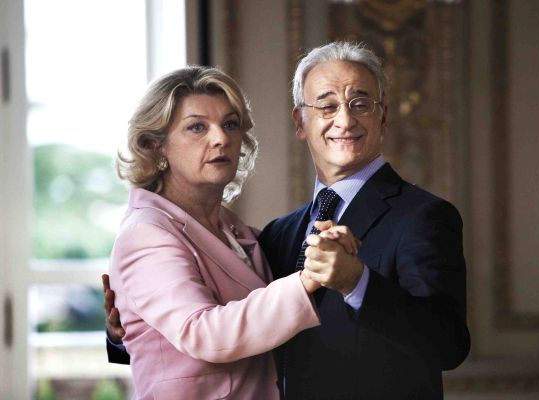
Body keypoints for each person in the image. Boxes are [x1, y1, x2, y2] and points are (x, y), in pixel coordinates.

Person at [106, 41, 470, 399]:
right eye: (327, 106)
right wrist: (130, 326)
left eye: (360, 104)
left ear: (383, 116)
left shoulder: (423, 216)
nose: (345, 120)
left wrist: (358, 283)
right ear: (301, 122)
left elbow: (448, 346)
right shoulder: (281, 234)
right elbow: (216, 329)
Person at [105, 65, 359, 400]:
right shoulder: (146, 233)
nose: (221, 138)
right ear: (156, 146)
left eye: (230, 124)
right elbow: (202, 334)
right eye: (197, 127)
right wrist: (308, 277)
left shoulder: (239, 231)